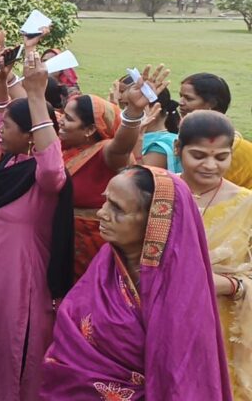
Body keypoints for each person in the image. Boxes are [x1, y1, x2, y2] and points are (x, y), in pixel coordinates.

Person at [40, 166, 232, 400]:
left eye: (117, 209)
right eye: (106, 201)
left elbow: (183, 379)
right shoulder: (105, 265)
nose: (101, 213)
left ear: (156, 222)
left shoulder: (180, 294)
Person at [0, 51, 74, 401]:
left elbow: (52, 165)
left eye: (8, 127)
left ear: (30, 135)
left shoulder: (43, 175)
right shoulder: (11, 162)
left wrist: (35, 95)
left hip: (22, 281)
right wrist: (3, 80)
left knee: (18, 343)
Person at [60, 67, 167, 279]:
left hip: (93, 244)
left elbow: (121, 146)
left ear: (90, 130)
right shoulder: (65, 147)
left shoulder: (105, 153)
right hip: (63, 238)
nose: (60, 121)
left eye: (68, 118)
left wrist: (133, 112)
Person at [178, 111, 252, 399]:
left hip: (222, 326)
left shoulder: (246, 205)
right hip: (165, 319)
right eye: (198, 155)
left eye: (221, 157)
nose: (210, 166)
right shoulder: (158, 194)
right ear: (178, 149)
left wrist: (231, 285)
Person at [178, 72, 252, 188]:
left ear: (211, 104)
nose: (181, 102)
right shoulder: (182, 131)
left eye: (188, 98)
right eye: (181, 96)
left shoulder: (237, 147)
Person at [137, 87, 181, 172]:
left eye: (128, 105)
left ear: (153, 108)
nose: (124, 113)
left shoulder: (161, 146)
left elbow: (137, 176)